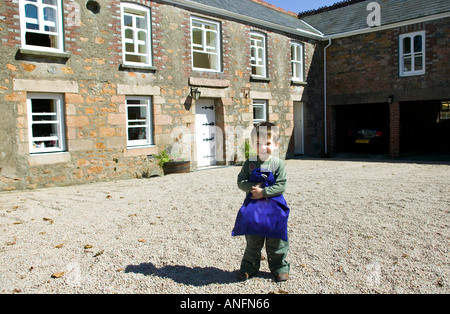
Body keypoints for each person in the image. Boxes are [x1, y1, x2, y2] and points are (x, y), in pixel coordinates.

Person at [233, 122, 290, 282]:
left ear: (276, 145)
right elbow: (240, 181)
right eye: (258, 143)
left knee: (277, 241)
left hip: (274, 211)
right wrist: (252, 188)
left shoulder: (278, 164)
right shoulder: (250, 164)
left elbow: (281, 185)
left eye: (267, 143)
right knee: (253, 241)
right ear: (253, 144)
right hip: (254, 210)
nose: (263, 147)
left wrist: (264, 192)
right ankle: (248, 268)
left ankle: (280, 268)